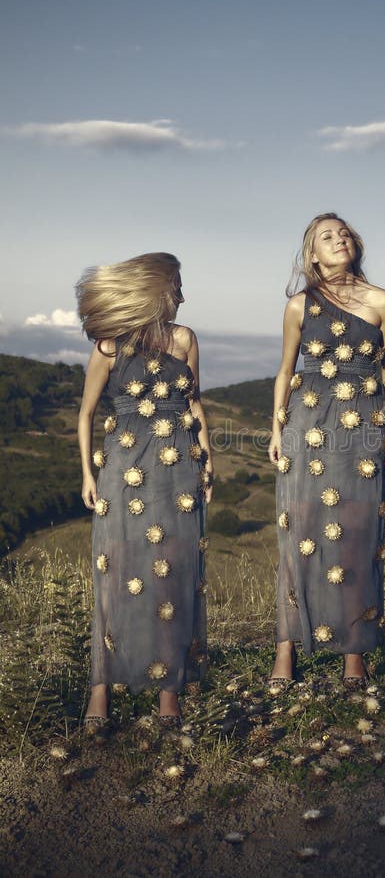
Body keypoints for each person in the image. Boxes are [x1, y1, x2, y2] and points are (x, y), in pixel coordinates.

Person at [76, 253, 212, 730]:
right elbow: (87, 413)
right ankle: (101, 686)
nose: (182, 296)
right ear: (155, 291)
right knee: (116, 571)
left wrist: (207, 457)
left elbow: (194, 402)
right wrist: (88, 475)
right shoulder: (109, 347)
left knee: (173, 571)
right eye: (176, 286)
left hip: (178, 472)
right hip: (122, 470)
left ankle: (169, 689)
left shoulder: (185, 339)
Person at [268, 213, 385, 692]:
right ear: (312, 255)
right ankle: (286, 646)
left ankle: (354, 650)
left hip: (364, 426)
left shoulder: (381, 301)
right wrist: (276, 428)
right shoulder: (299, 306)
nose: (339, 239)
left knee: (358, 534)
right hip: (307, 426)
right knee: (299, 530)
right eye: (328, 236)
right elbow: (285, 370)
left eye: (344, 233)